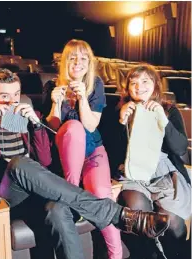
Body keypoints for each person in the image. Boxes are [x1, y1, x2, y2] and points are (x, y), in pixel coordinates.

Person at [0, 68, 170, 259]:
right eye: (4, 96)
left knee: (57, 210)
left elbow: (45, 161)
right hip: (8, 193)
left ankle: (118, 217)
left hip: (38, 188)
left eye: (16, 94)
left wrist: (36, 126)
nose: (12, 101)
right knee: (18, 163)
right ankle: (118, 215)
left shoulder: (29, 117)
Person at [42, 39, 123, 259]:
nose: (78, 63)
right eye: (72, 58)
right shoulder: (51, 86)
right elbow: (54, 128)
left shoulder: (95, 84)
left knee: (103, 197)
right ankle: (72, 194)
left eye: (84, 58)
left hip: (93, 152)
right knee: (73, 128)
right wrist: (55, 104)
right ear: (65, 62)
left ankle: (116, 255)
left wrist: (82, 99)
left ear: (90, 63)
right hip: (66, 157)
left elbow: (91, 125)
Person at [117, 65, 191, 259]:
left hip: (165, 173)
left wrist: (163, 120)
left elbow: (180, 148)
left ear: (156, 85)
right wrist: (121, 122)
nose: (138, 86)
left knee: (173, 223)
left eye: (144, 81)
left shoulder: (169, 110)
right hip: (133, 174)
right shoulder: (120, 110)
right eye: (133, 82)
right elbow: (111, 152)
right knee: (140, 218)